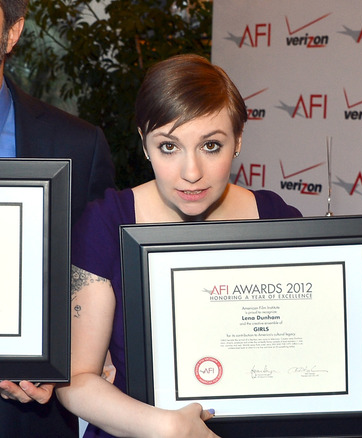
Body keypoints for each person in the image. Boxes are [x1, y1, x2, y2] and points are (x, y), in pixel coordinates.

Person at [55, 54, 301, 438]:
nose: (191, 173)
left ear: (238, 141)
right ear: (144, 143)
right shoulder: (106, 223)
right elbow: (75, 379)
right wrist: (168, 427)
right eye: (169, 147)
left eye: (211, 146)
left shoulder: (277, 219)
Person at [0, 0, 115, 436]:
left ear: (12, 32)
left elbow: (90, 281)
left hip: (28, 418)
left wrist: (61, 355)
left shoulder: (79, 146)